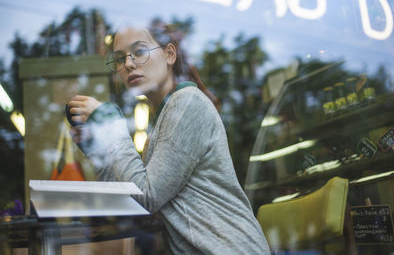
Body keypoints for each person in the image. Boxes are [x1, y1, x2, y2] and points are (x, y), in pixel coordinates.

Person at [67, 22, 270, 254]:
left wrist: (111, 125)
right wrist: (100, 150)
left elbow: (147, 196)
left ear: (170, 54)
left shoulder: (186, 102)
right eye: (120, 59)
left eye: (139, 52)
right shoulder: (164, 120)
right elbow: (131, 202)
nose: (129, 64)